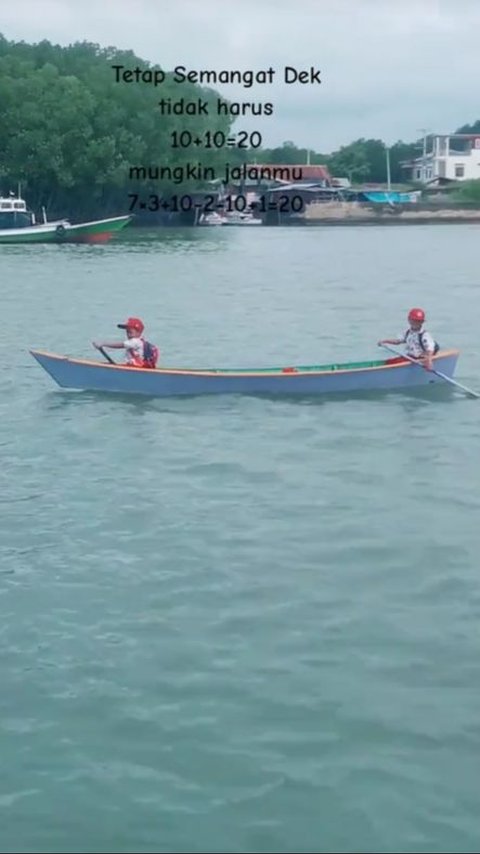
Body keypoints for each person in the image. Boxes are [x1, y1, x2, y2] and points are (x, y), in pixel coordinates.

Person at [93, 317, 159, 368]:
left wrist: (103, 343)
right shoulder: (138, 342)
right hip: (134, 369)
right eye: (127, 332)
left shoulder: (136, 342)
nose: (128, 335)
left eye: (131, 332)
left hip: (136, 371)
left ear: (139, 333)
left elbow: (120, 345)